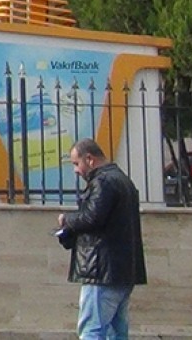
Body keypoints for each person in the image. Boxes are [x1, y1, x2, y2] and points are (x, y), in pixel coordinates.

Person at [57, 138, 146, 340]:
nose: (75, 170)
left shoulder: (103, 182)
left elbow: (92, 217)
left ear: (89, 159)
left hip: (101, 270)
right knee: (116, 332)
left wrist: (67, 220)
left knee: (92, 330)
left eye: (76, 163)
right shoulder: (122, 180)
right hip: (122, 271)